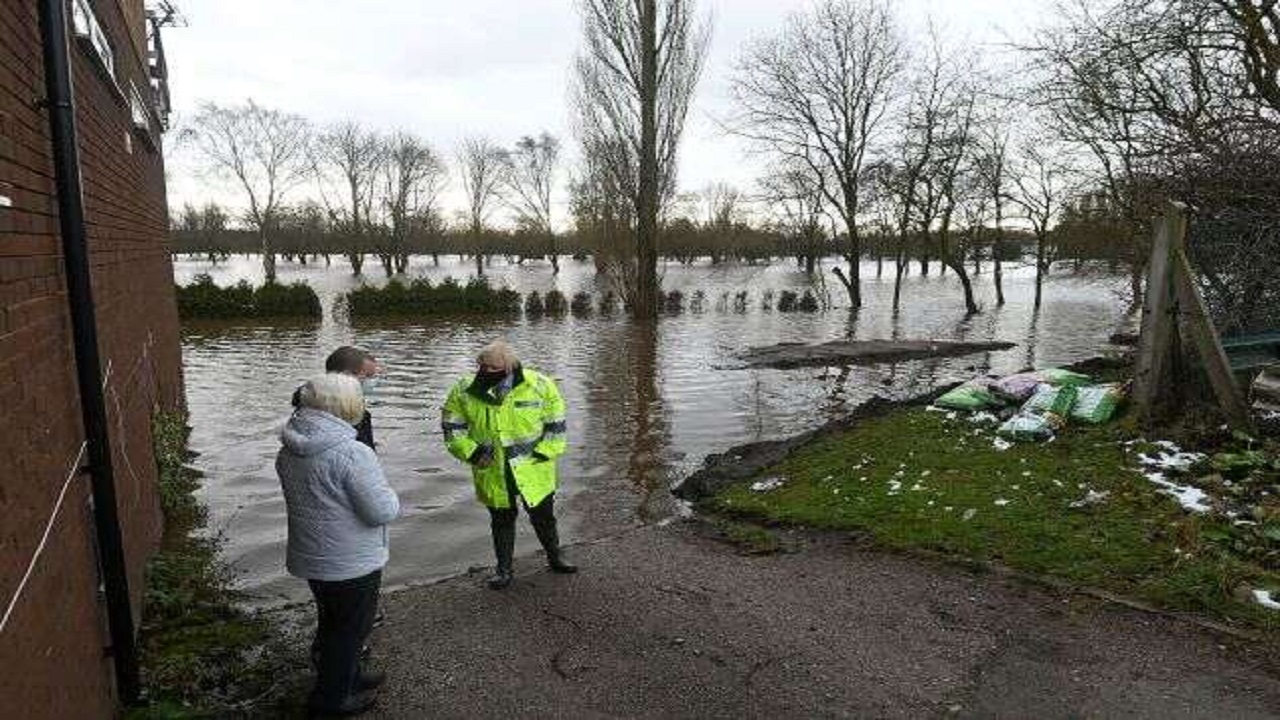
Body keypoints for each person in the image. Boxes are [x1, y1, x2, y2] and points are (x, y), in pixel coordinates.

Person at [277, 374, 400, 716]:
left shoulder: (291, 446)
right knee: (350, 630)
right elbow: (381, 511)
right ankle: (330, 701)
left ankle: (350, 677)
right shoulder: (351, 452)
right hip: (350, 561)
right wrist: (390, 491)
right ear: (345, 405)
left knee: (333, 622)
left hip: (314, 556)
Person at [441, 339, 577, 589]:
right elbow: (452, 427)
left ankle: (555, 557)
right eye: (481, 366)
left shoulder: (539, 384)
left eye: (492, 368)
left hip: (534, 468)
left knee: (544, 517)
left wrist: (547, 451)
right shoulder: (464, 389)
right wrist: (471, 453)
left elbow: (556, 422)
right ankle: (504, 569)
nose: (485, 372)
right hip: (491, 468)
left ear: (509, 366)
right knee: (501, 520)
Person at [292, 346, 380, 450]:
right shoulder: (349, 413)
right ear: (347, 376)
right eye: (368, 376)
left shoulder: (305, 407)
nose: (373, 381)